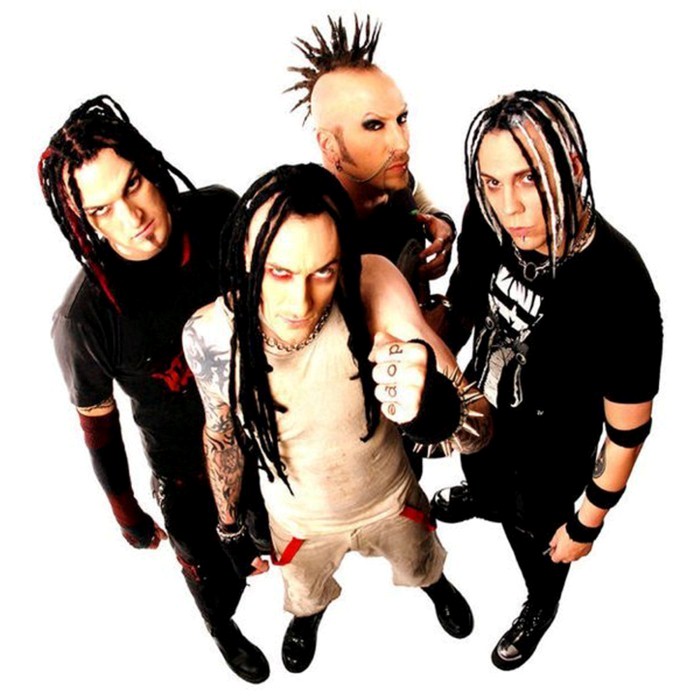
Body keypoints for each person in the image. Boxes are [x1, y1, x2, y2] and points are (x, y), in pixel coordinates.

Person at [183, 163, 491, 674]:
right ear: (245, 253)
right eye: (279, 272)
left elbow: (479, 426)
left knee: (421, 563)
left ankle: (435, 586)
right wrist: (230, 528)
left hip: (390, 497)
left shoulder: (369, 283)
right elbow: (220, 434)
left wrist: (436, 404)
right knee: (305, 593)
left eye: (322, 271)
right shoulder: (211, 336)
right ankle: (308, 617)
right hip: (298, 520)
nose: (299, 301)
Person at [39, 95, 269, 684]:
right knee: (213, 580)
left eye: (133, 185)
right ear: (83, 221)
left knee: (288, 545)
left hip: (266, 434)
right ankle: (223, 630)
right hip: (185, 472)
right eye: (102, 210)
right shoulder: (84, 318)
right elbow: (98, 425)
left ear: (150, 164)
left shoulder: (219, 213)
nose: (132, 217)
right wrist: (127, 515)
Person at [431, 90, 663, 670]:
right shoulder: (488, 220)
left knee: (536, 534)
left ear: (573, 167)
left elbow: (627, 430)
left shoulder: (619, 284)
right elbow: (463, 306)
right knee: (483, 478)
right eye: (492, 182)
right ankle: (484, 498)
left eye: (529, 179)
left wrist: (587, 521)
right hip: (482, 413)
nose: (510, 207)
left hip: (553, 457)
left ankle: (541, 601)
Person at [286, 15, 456, 305]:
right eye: (374, 125)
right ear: (329, 145)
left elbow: (416, 196)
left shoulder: (394, 178)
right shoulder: (310, 229)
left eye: (401, 119)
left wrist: (441, 225)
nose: (401, 143)